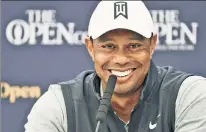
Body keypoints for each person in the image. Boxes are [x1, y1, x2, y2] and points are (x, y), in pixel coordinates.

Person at [24, 1, 206, 132]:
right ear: (90, 47)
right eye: (108, 46)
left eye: (134, 46)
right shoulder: (59, 104)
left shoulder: (190, 94)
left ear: (152, 45)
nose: (120, 59)